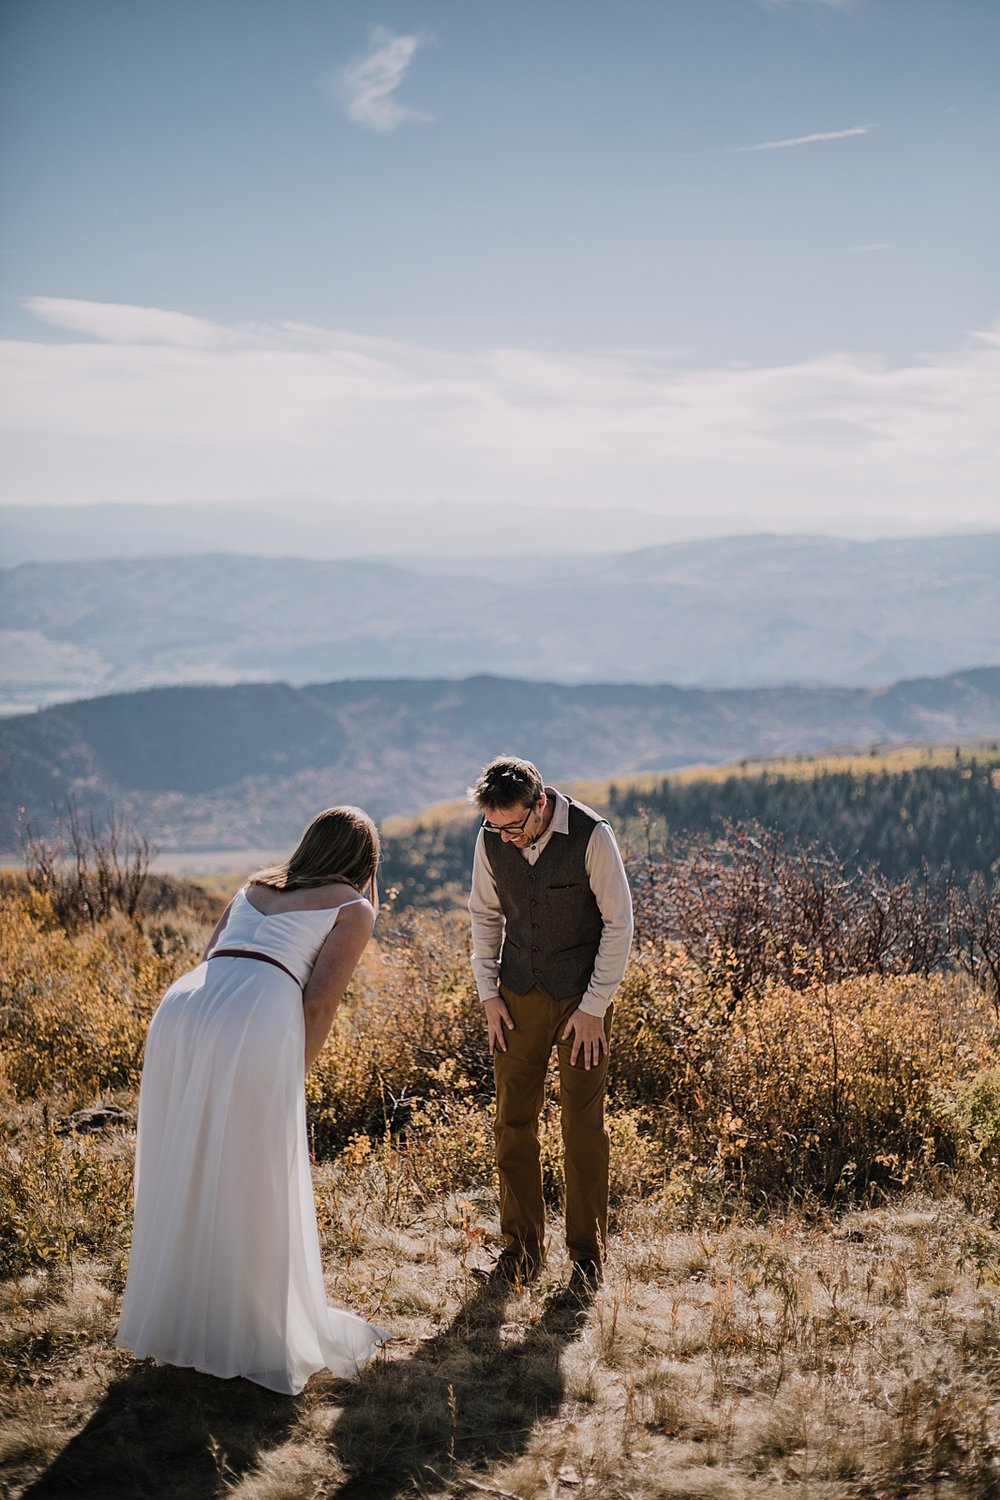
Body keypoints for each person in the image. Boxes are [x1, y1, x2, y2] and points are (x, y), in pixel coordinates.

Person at [116, 806, 387, 1394]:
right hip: (254, 1014)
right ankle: (243, 1327)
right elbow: (319, 1002)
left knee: (185, 1157)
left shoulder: (253, 886)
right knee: (252, 1170)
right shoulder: (353, 906)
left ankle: (183, 1312)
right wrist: (297, 1072)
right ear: (364, 859)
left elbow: (215, 950)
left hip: (188, 1006)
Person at [469, 756, 633, 1290]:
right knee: (512, 1124)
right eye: (497, 828)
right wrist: (489, 995)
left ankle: (587, 1258)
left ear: (540, 805)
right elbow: (485, 916)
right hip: (516, 997)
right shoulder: (492, 837)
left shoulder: (592, 836)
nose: (506, 837)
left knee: (582, 1128)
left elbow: (619, 923)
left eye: (514, 826)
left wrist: (594, 1007)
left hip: (580, 1002)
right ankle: (520, 1252)